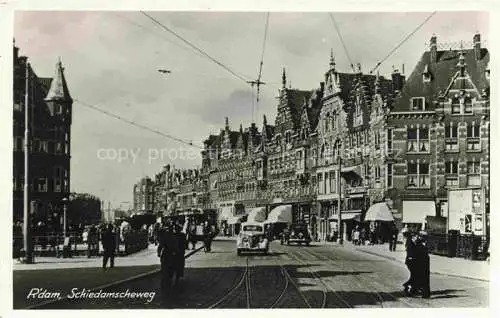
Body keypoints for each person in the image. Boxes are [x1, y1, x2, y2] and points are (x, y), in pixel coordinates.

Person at [157, 220, 181, 289]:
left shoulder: (165, 236)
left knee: (165, 270)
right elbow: (176, 247)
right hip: (170, 255)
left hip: (165, 255)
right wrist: (176, 252)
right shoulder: (173, 237)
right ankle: (167, 283)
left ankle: (164, 283)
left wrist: (159, 253)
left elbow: (160, 246)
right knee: (169, 270)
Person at [415, 231, 431, 298]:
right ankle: (422, 292)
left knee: (426, 278)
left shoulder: (426, 243)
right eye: (423, 236)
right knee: (422, 278)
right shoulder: (418, 244)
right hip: (420, 263)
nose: (424, 238)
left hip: (425, 263)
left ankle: (426, 293)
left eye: (425, 237)